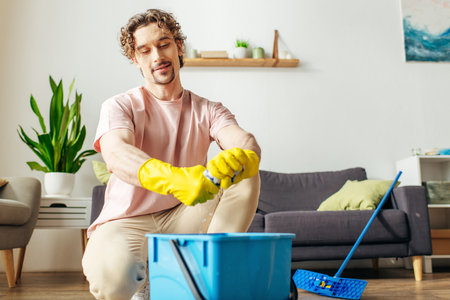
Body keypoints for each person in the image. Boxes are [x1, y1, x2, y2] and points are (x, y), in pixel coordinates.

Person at [81, 8, 261, 300]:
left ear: (178, 47)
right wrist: (175, 179)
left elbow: (242, 139)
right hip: (127, 220)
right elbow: (117, 153)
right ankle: (144, 284)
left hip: (186, 216)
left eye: (164, 44)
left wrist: (246, 152)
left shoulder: (208, 109)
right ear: (135, 59)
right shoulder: (120, 105)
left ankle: (208, 276)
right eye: (145, 50)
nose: (157, 56)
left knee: (245, 172)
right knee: (112, 281)